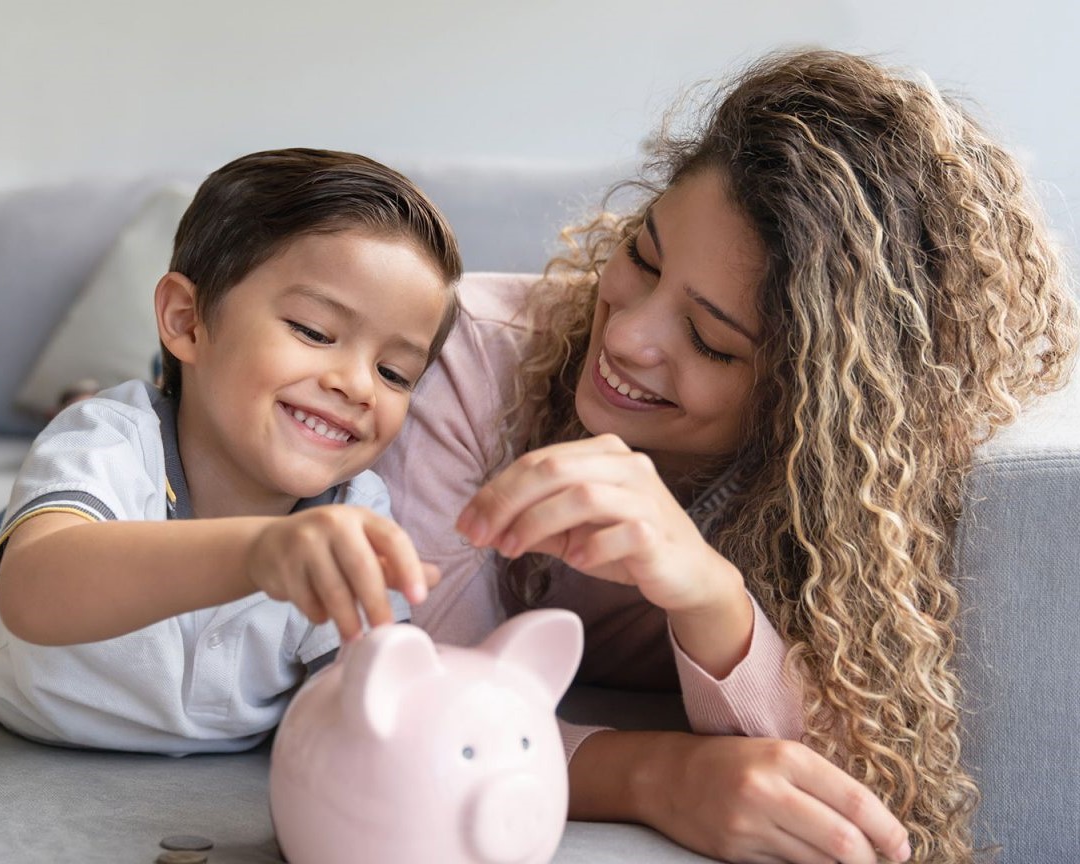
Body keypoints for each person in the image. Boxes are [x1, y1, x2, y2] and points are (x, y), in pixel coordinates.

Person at [374, 50, 1078, 864]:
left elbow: (869, 772)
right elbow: (420, 705)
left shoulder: (863, 491)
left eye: (710, 342)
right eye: (642, 256)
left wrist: (709, 594)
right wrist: (657, 776)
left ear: (807, 398)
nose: (630, 335)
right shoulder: (463, 362)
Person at [0, 147, 463, 754]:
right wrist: (258, 554)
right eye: (313, 332)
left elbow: (368, 707)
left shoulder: (357, 515)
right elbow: (32, 591)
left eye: (394, 373)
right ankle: (87, 414)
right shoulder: (112, 441)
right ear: (186, 319)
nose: (357, 385)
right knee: (76, 456)